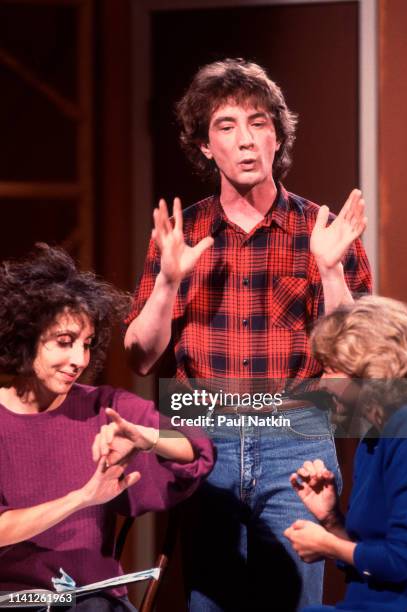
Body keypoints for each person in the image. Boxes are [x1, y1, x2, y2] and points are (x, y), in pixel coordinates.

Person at [124, 58, 372, 611]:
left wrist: (330, 271)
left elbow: (358, 364)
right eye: (227, 126)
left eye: (259, 123)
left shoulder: (322, 232)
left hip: (295, 439)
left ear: (278, 135)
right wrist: (167, 282)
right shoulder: (180, 234)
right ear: (205, 145)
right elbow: (140, 358)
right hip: (207, 438)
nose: (245, 141)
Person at [0, 243, 214, 612]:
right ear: (25, 338)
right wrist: (83, 498)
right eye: (64, 343)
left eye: (87, 345)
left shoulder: (105, 407)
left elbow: (195, 448)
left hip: (91, 602)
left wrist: (146, 437)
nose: (79, 360)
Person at [284, 295, 407, 612]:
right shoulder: (373, 438)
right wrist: (330, 520)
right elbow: (372, 558)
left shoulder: (404, 431)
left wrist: (328, 545)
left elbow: (402, 562)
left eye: (331, 370)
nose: (323, 383)